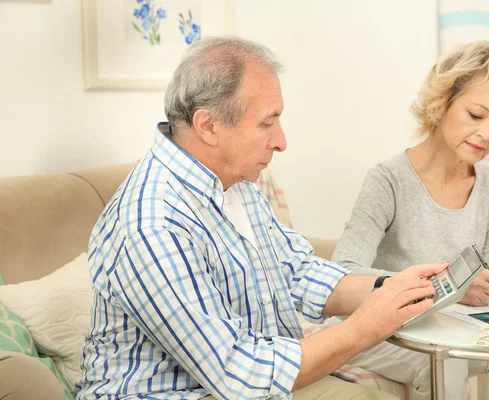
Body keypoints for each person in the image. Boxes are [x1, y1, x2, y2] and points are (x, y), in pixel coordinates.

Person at [74, 36, 449, 400]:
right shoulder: (152, 226)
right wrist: (365, 327)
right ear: (208, 126)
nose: (281, 141)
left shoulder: (234, 181)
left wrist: (394, 287)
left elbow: (294, 271)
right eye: (267, 123)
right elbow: (238, 372)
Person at [329, 40, 489, 400]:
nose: (486, 135)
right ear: (442, 103)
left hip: (449, 327)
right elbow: (342, 273)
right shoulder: (388, 180)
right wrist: (447, 284)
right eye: (476, 115)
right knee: (449, 359)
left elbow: (486, 292)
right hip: (385, 332)